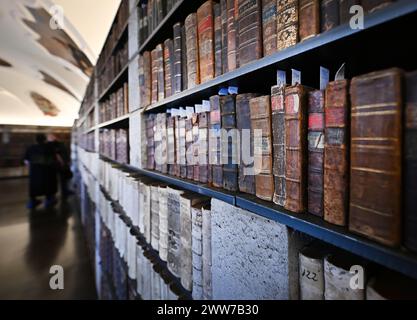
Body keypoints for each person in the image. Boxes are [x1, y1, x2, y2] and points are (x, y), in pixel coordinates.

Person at [24, 134, 58, 209]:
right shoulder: (49, 147)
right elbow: (54, 159)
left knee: (34, 187)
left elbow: (26, 161)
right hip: (48, 172)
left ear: (35, 140)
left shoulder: (31, 148)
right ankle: (49, 200)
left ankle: (33, 202)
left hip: (35, 172)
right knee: (48, 186)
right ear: (45, 139)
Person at [47, 133, 73, 199]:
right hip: (58, 165)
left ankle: (63, 192)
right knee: (58, 180)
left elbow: (59, 153)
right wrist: (63, 162)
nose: (50, 138)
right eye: (50, 137)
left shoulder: (57, 144)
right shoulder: (53, 145)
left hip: (59, 165)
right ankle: (59, 194)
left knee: (62, 180)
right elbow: (57, 155)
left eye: (51, 137)